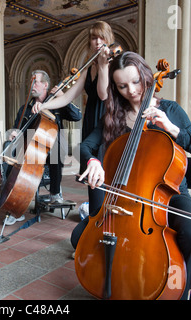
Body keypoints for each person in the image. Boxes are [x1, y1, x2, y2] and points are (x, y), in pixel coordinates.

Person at [74, 51, 191, 299]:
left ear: (146, 76)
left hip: (168, 193)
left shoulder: (170, 109)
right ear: (116, 88)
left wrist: (172, 129)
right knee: (80, 237)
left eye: (136, 81)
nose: (132, 90)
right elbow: (85, 146)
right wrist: (93, 160)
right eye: (122, 86)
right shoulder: (112, 116)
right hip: (124, 194)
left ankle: (180, 292)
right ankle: (122, 280)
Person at [32, 21, 115, 217]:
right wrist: (43, 105)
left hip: (107, 122)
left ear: (108, 39)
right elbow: (68, 97)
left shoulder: (112, 64)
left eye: (101, 37)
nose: (97, 41)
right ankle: (95, 216)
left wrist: (103, 65)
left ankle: (105, 219)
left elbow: (103, 94)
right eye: (93, 38)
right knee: (91, 174)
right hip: (90, 122)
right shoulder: (88, 67)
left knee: (105, 173)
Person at [4, 70, 82, 225]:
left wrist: (61, 96)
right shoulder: (25, 108)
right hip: (30, 151)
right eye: (31, 82)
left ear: (46, 85)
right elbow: (16, 129)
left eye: (36, 82)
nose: (32, 85)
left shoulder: (57, 104)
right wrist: (12, 133)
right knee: (11, 164)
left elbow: (77, 116)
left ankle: (54, 192)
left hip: (51, 151)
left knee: (57, 147)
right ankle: (16, 207)